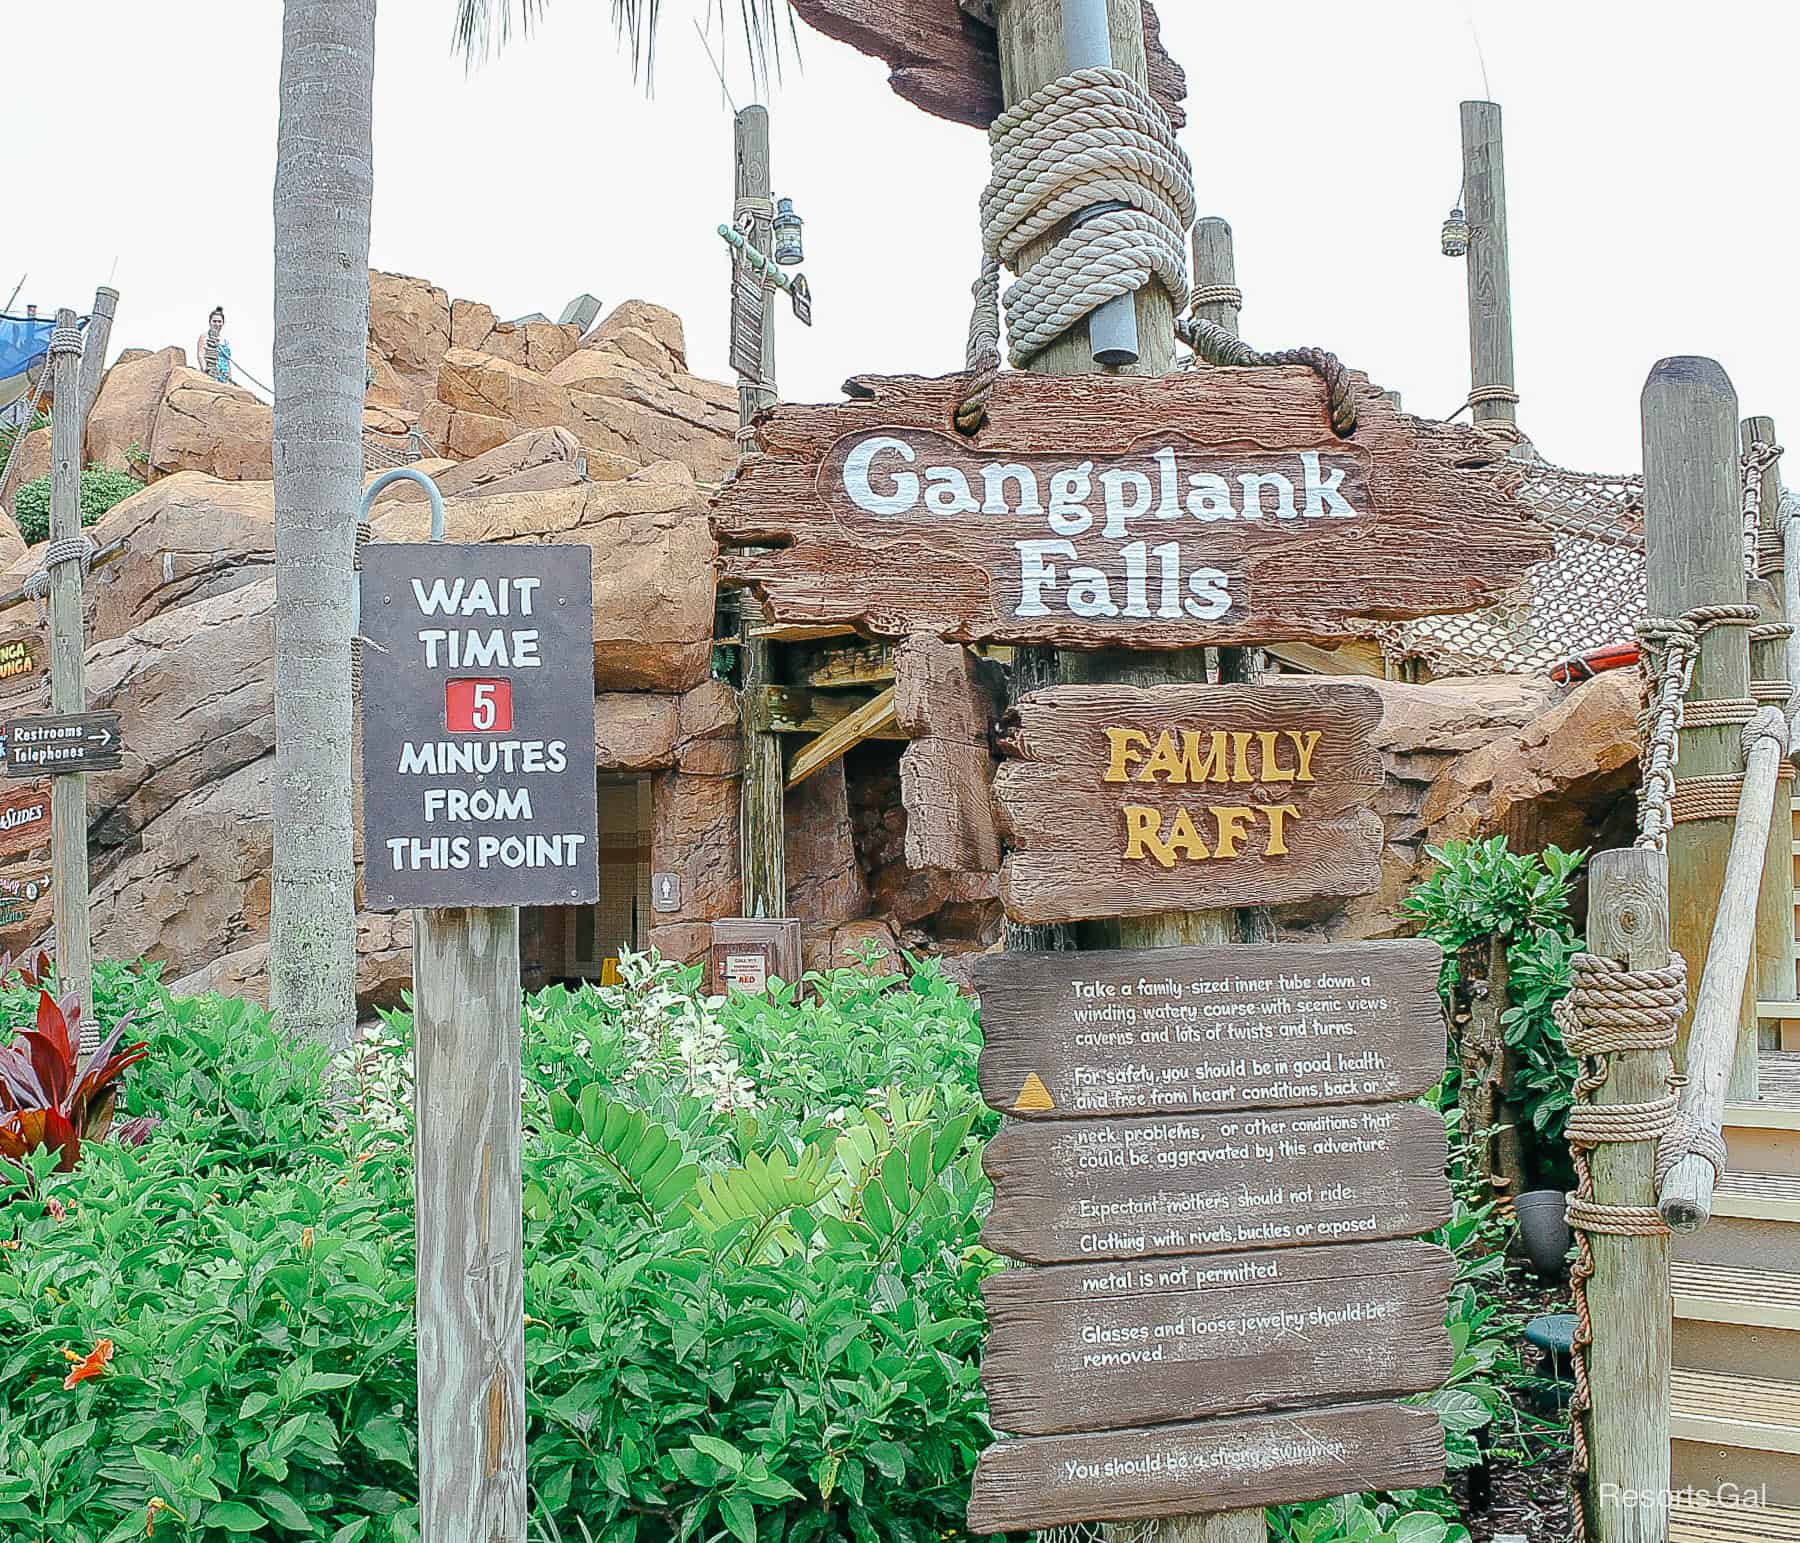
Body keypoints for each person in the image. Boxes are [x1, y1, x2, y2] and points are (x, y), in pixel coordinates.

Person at [196, 306, 230, 383]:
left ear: (223, 323)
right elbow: (201, 354)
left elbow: (227, 361)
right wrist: (205, 370)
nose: (217, 324)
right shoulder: (204, 336)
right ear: (210, 322)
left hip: (224, 373)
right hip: (211, 370)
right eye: (214, 321)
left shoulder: (224, 341)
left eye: (219, 321)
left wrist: (229, 376)